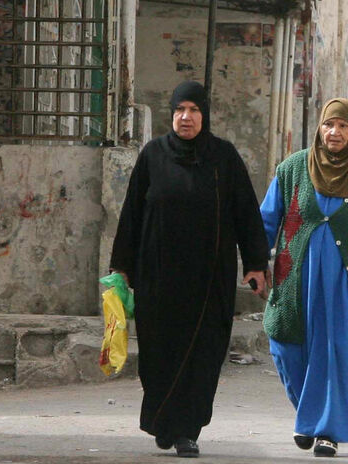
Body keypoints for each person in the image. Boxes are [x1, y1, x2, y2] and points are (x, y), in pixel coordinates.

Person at [109, 81, 270, 458]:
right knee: (157, 352)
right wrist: (122, 268)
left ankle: (186, 430)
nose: (186, 117)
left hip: (209, 278)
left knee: (203, 353)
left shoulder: (224, 157)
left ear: (205, 114)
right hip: (158, 276)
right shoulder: (153, 155)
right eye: (180, 109)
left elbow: (246, 212)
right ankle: (165, 420)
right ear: (171, 114)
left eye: (194, 110)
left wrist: (256, 264)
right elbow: (132, 213)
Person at [260, 98, 348, 459]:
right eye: (329, 125)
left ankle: (328, 431)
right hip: (295, 280)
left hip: (343, 287)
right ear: (319, 129)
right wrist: (253, 262)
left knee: (338, 354)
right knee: (287, 347)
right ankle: (308, 417)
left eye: (343, 126)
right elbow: (265, 220)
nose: (335, 133)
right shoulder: (293, 170)